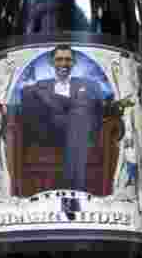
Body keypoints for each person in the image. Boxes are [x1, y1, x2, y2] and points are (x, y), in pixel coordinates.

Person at [21, 45, 104, 198]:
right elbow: (26, 98)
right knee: (79, 112)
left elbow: (99, 109)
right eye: (59, 59)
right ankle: (76, 187)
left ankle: (72, 184)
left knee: (79, 116)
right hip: (50, 132)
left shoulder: (87, 85)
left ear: (73, 63)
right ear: (52, 63)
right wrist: (60, 103)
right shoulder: (40, 86)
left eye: (68, 60)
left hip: (79, 129)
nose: (63, 64)